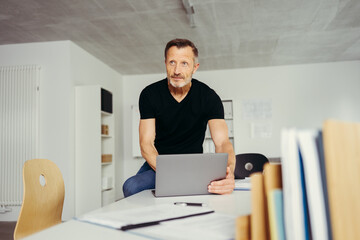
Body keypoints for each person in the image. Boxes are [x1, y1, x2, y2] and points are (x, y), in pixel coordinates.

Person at [123, 38, 235, 198]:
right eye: (172, 62)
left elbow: (223, 142)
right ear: (165, 64)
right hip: (159, 164)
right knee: (131, 187)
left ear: (195, 67)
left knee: (217, 191)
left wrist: (228, 172)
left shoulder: (209, 97)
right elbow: (146, 143)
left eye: (184, 63)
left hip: (194, 165)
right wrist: (169, 173)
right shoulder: (150, 94)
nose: (177, 71)